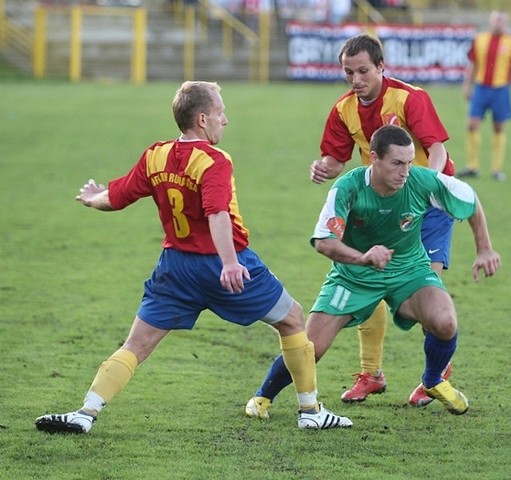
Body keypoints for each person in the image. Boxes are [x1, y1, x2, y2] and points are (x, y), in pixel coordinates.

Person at [34, 81, 352, 434]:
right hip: (224, 263)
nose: (225, 120)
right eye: (220, 113)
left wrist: (93, 197)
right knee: (292, 319)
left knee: (136, 345)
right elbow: (217, 214)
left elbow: (117, 198)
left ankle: (85, 412)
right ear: (202, 119)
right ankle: (310, 412)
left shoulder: (155, 154)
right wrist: (230, 262)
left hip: (175, 268)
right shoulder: (215, 160)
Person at [244, 125, 501, 420]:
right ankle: (263, 396)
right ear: (374, 159)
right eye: (396, 163)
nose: (405, 171)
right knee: (310, 348)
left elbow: (469, 199)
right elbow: (324, 243)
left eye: (408, 162)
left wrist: (485, 249)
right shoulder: (348, 187)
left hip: (409, 269)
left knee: (445, 322)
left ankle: (432, 380)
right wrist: (363, 258)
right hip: (353, 276)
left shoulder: (421, 180)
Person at [308, 33, 457, 407]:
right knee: (367, 278)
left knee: (426, 292)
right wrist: (323, 168)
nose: (356, 80)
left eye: (363, 71)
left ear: (380, 68)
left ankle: (434, 377)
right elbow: (337, 159)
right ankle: (371, 374)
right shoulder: (343, 109)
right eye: (348, 72)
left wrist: (431, 185)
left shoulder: (409, 98)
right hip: (379, 209)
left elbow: (437, 148)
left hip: (429, 204)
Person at [458, 9, 511, 182]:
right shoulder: (480, 39)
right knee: (472, 125)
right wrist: (467, 85)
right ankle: (472, 166)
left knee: (498, 127)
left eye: (501, 20)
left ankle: (496, 169)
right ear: (490, 21)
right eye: (495, 20)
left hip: (501, 90)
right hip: (481, 88)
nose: (498, 23)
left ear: (505, 23)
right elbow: (473, 63)